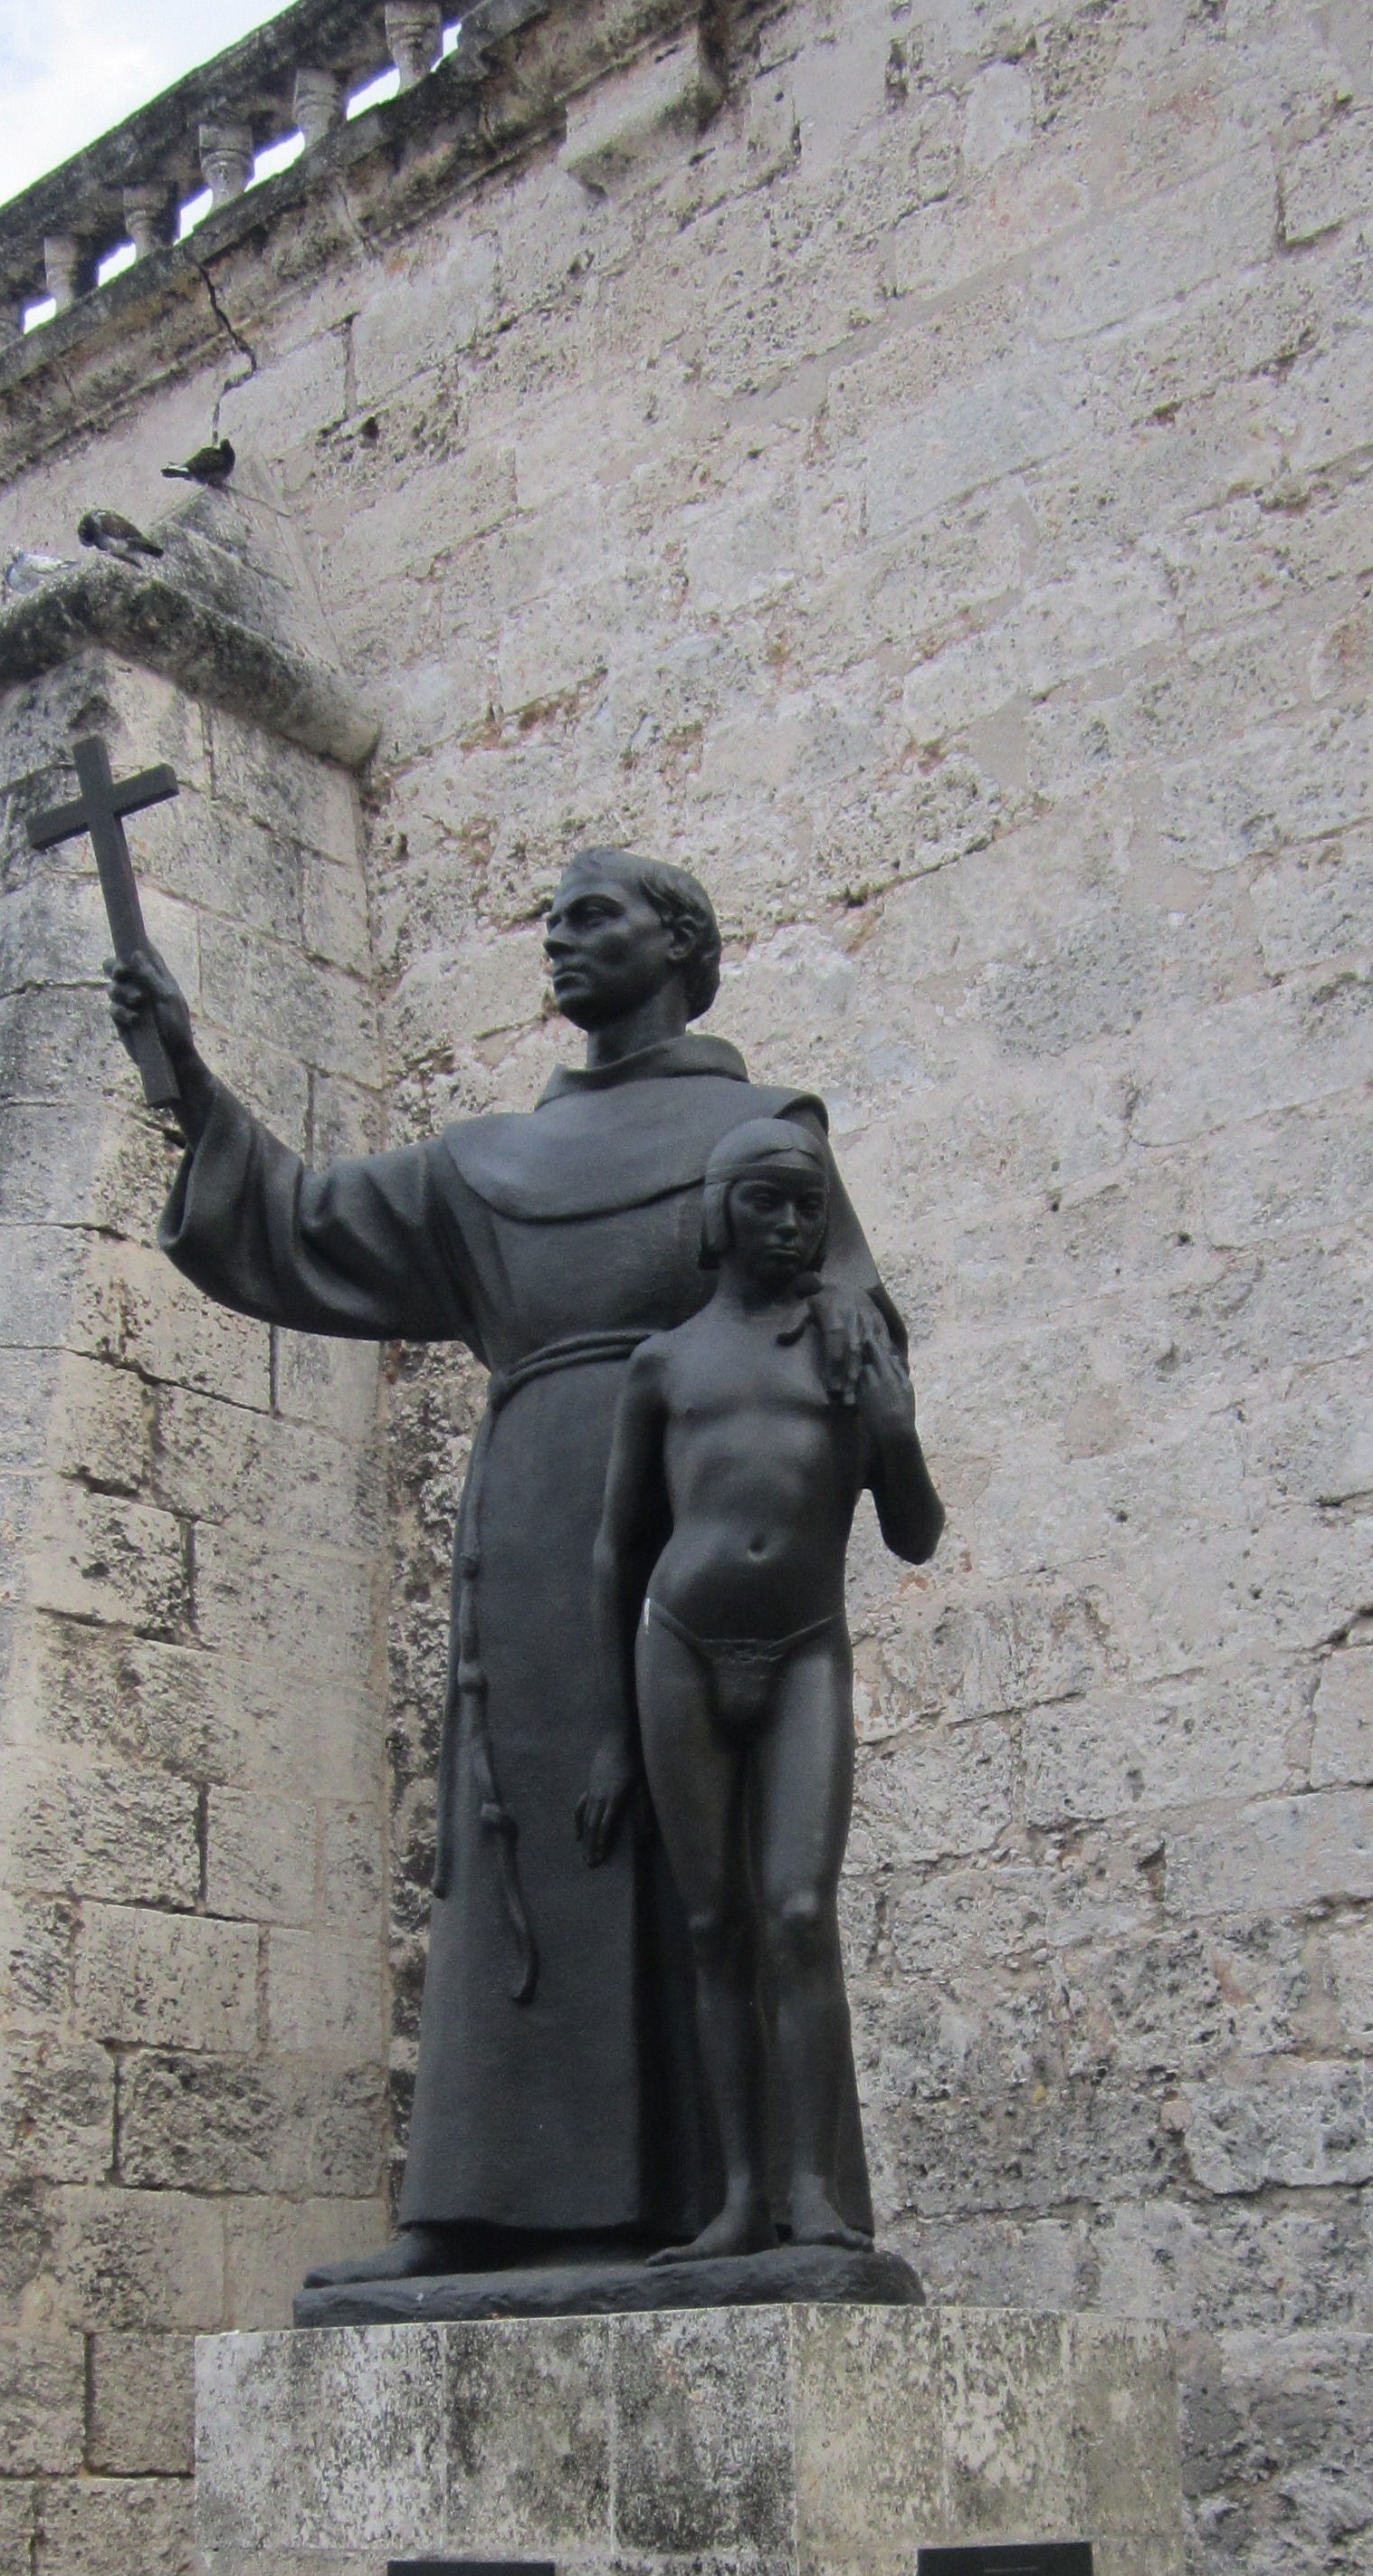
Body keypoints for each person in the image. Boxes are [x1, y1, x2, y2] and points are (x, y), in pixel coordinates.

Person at [108, 850, 905, 2283]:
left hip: (707, 1514)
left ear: (677, 944)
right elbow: (292, 1224)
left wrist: (856, 1353)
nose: (556, 941)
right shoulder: (482, 1163)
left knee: (723, 1876)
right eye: (547, 921)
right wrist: (188, 1083)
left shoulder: (765, 1130)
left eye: (591, 918)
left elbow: (848, 1308)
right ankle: (474, 2213)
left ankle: (761, 2209)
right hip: (540, 1532)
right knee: (524, 1841)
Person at [578, 1111, 944, 2258]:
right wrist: (607, 1734)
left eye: (807, 1208)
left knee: (797, 1910)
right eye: (765, 1203)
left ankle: (814, 2187)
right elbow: (616, 1546)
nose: (789, 1226)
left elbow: (918, 1536)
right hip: (676, 1644)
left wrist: (894, 1430)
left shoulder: (849, 1347)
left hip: (801, 1649)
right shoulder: (665, 1363)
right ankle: (739, 2196)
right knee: (712, 1924)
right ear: (717, 1214)